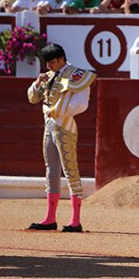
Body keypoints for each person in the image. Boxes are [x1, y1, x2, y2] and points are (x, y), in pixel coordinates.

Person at [26, 44, 96, 233]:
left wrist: (57, 111)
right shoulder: (48, 76)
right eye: (47, 63)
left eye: (51, 62)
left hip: (65, 126)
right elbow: (33, 98)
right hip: (49, 126)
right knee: (51, 170)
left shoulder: (77, 75)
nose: (48, 66)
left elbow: (81, 104)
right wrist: (37, 83)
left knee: (70, 170)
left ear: (61, 59)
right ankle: (50, 218)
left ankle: (75, 220)